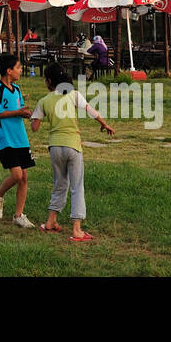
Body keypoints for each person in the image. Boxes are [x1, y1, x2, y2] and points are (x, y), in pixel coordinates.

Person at [31, 62, 114, 242]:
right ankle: (77, 229)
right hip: (73, 146)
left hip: (55, 147)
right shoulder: (73, 95)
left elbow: (35, 127)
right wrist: (104, 124)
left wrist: (33, 115)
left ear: (49, 81)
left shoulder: (44, 101)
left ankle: (50, 222)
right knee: (77, 187)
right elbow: (90, 111)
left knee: (59, 184)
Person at [0, 53, 35, 229]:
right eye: (18, 68)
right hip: (4, 139)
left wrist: (28, 113)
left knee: (24, 177)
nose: (21, 71)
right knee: (17, 175)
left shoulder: (18, 90)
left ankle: (18, 215)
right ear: (8, 71)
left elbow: (19, 109)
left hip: (20, 138)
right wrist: (18, 113)